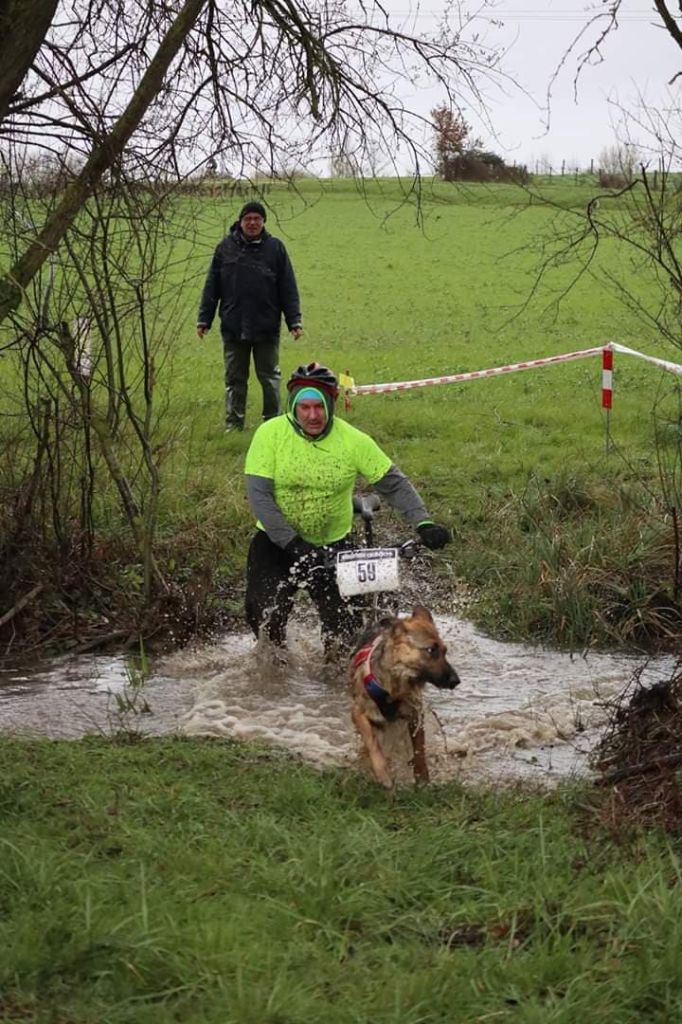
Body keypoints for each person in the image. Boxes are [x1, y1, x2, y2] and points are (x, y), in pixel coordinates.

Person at [243, 361, 451, 656]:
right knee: (264, 619)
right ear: (293, 406)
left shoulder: (353, 440)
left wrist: (424, 523)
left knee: (343, 638)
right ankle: (276, 675)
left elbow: (393, 483)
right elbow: (260, 497)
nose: (313, 416)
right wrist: (294, 543)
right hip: (277, 544)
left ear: (331, 406)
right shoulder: (269, 435)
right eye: (305, 408)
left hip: (333, 547)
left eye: (319, 407)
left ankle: (335, 684)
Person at [196, 201, 303, 432]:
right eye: (248, 219)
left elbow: (288, 287)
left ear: (264, 221)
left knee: (270, 378)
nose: (252, 223)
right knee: (234, 379)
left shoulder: (276, 248)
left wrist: (294, 321)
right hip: (234, 326)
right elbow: (211, 287)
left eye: (257, 219)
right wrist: (204, 319)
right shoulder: (225, 248)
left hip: (267, 327)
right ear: (240, 221)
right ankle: (234, 424)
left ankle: (272, 424)